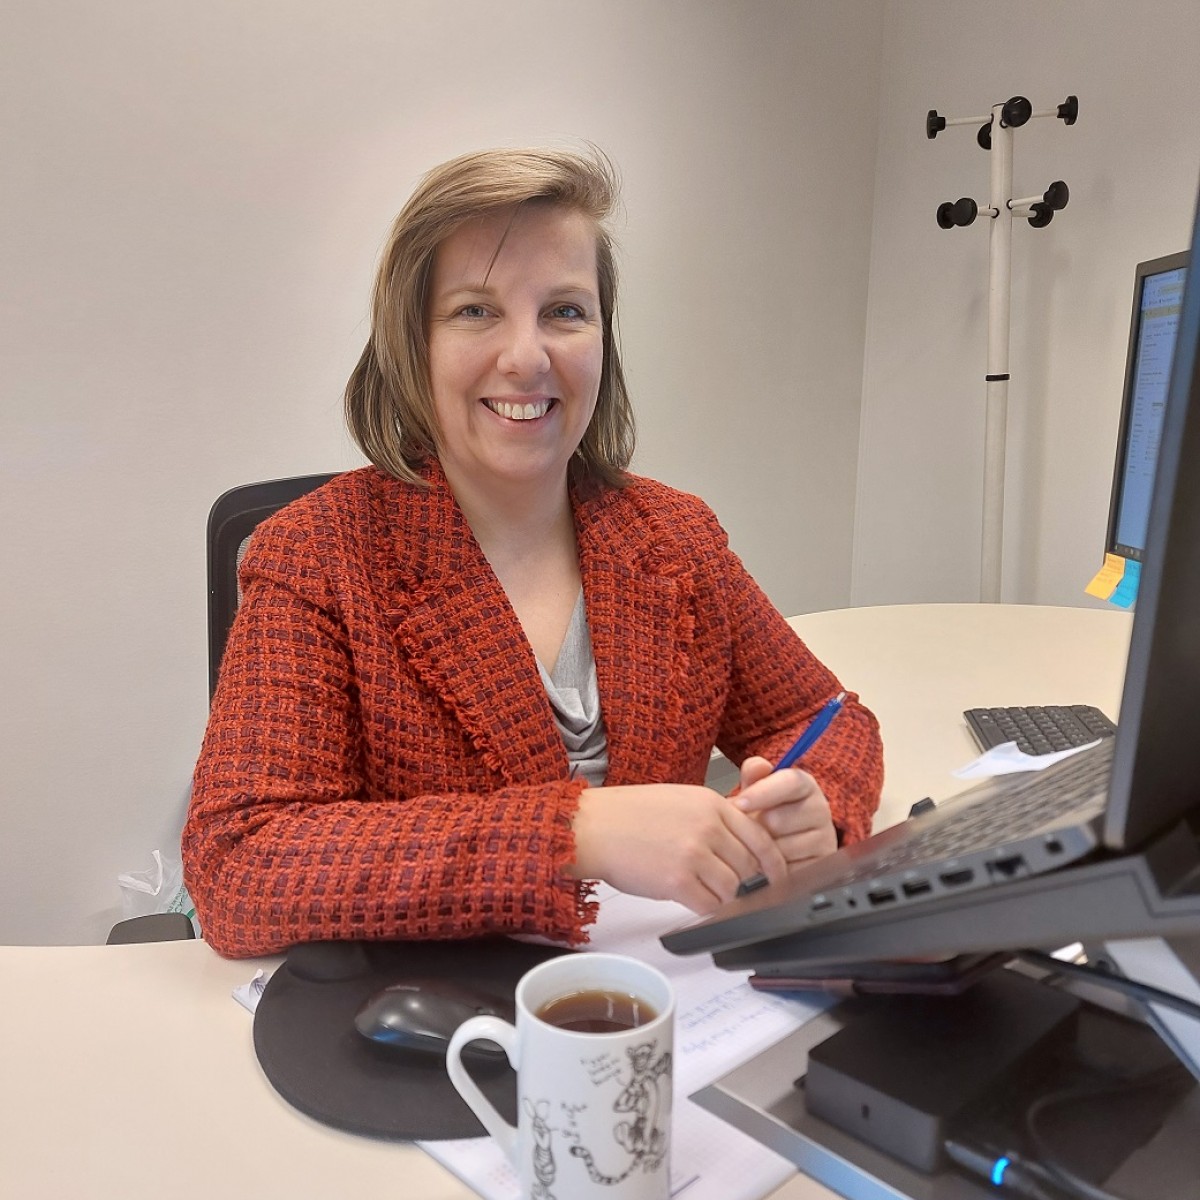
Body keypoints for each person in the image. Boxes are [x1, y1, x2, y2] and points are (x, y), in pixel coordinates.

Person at [182, 146, 883, 958]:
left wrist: (817, 806)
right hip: (444, 1033)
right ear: (415, 342)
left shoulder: (675, 536)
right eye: (476, 311)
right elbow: (240, 865)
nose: (527, 356)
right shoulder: (314, 554)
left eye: (565, 311)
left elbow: (826, 719)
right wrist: (573, 830)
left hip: (666, 1000)